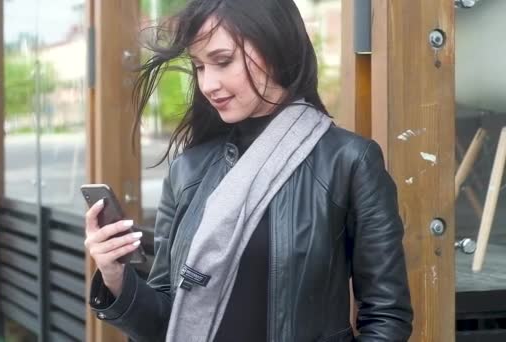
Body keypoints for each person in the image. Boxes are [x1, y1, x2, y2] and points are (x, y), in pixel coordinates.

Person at [84, 0, 413, 341]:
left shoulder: (348, 162)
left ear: (275, 44)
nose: (208, 83)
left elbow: (387, 316)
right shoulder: (188, 170)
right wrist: (116, 276)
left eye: (222, 61)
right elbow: (166, 322)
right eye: (199, 67)